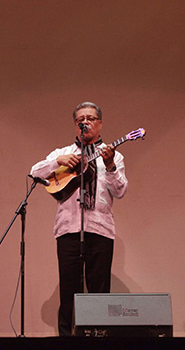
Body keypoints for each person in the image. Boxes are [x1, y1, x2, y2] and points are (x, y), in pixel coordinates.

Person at [30, 102, 128, 336]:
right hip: (68, 230)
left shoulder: (114, 155)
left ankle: (99, 337)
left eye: (91, 118)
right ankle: (67, 339)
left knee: (99, 292)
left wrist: (111, 165)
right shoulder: (61, 153)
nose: (85, 122)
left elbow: (121, 191)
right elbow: (35, 173)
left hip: (101, 229)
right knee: (68, 292)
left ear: (100, 123)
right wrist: (58, 162)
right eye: (80, 119)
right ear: (75, 125)